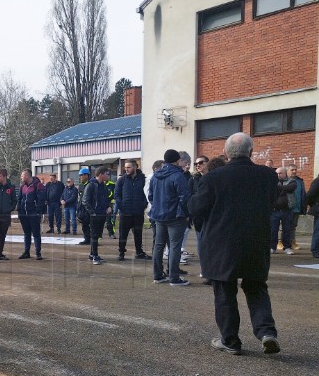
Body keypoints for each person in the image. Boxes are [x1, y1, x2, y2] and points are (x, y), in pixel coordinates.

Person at [191, 132, 280, 356]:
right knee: (256, 286)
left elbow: (195, 209)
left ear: (226, 154)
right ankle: (266, 332)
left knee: (224, 291)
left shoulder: (213, 177)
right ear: (251, 152)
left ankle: (230, 340)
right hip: (255, 240)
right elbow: (272, 202)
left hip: (222, 243)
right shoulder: (268, 176)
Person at [149, 150, 190, 286]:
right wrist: (184, 213)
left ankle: (158, 275)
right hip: (175, 217)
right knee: (174, 246)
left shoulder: (156, 176)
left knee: (158, 246)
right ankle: (174, 277)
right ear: (177, 160)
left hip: (159, 216)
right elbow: (184, 197)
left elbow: (151, 196)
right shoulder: (178, 175)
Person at [114, 160, 150, 261]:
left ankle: (139, 252)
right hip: (125, 213)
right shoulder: (121, 180)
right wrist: (122, 206)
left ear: (135, 167)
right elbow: (116, 195)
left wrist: (143, 205)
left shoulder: (143, 179)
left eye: (129, 167)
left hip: (138, 213)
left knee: (138, 234)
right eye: (125, 167)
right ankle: (121, 252)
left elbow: (146, 194)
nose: (126, 169)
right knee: (123, 234)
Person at [82, 167, 112, 265]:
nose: (108, 176)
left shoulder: (103, 185)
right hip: (95, 215)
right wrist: (92, 213)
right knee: (94, 236)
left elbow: (106, 198)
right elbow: (85, 200)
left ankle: (92, 254)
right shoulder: (91, 185)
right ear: (100, 174)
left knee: (98, 235)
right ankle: (95, 256)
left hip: (102, 214)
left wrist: (108, 206)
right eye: (106, 174)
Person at [16, 169, 46, 260]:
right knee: (26, 233)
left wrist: (37, 212)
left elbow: (41, 200)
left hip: (33, 214)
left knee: (36, 234)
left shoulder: (38, 185)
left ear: (27, 176)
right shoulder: (22, 186)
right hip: (23, 214)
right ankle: (26, 252)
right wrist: (19, 211)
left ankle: (38, 253)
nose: (21, 177)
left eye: (22, 176)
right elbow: (19, 198)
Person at [271, 167, 295, 255]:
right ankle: (272, 247)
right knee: (273, 229)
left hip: (287, 210)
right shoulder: (272, 181)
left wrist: (278, 188)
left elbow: (290, 188)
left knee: (287, 230)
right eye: (277, 173)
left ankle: (287, 247)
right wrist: (283, 188)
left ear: (285, 174)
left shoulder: (292, 181)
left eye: (280, 173)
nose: (278, 175)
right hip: (275, 210)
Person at [287, 165, 306, 250]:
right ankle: (281, 241)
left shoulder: (299, 181)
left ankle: (292, 241)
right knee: (285, 226)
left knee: (293, 226)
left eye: (295, 170)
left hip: (297, 207)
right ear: (287, 171)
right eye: (292, 170)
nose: (294, 171)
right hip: (286, 207)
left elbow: (302, 194)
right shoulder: (285, 180)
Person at [76, 167, 92, 245]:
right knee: (84, 225)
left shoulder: (91, 185)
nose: (80, 177)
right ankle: (87, 239)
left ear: (86, 175)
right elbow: (79, 198)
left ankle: (93, 240)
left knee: (91, 226)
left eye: (81, 175)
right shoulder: (81, 186)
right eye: (80, 175)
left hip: (89, 209)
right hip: (82, 210)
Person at [306, 173, 319, 259]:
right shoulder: (317, 182)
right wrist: (313, 205)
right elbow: (310, 195)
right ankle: (315, 250)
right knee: (318, 231)